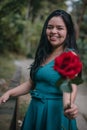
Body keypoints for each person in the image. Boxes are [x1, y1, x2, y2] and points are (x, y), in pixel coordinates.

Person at [0, 9, 81, 130]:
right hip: (35, 110)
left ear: (68, 32)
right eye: (50, 27)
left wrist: (68, 106)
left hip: (54, 114)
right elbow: (31, 84)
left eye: (59, 28)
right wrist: (9, 93)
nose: (53, 31)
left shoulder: (70, 56)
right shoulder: (44, 54)